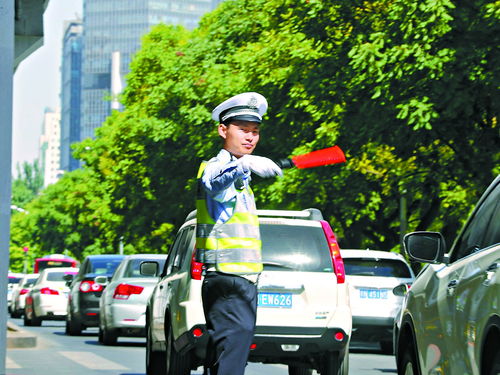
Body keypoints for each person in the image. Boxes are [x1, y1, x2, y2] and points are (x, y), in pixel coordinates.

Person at [196, 92, 282, 375]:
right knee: (232, 356)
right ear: (223, 130)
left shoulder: (241, 175)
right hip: (228, 278)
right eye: (243, 130)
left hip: (238, 278)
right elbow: (214, 185)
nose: (250, 137)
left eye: (255, 131)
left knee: (224, 355)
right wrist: (241, 166)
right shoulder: (217, 166)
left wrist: (242, 169)